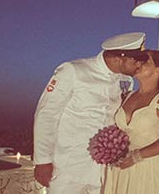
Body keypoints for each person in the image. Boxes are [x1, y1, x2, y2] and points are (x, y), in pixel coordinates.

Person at [33, 32, 147, 193]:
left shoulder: (125, 80)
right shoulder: (73, 71)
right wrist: (43, 160)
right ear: (119, 58)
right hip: (69, 167)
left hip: (104, 170)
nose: (139, 66)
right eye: (136, 60)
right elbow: (47, 114)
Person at [103, 50, 159, 194]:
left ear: (158, 70)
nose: (138, 63)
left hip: (147, 166)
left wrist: (136, 157)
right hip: (120, 166)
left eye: (145, 61)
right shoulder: (128, 96)